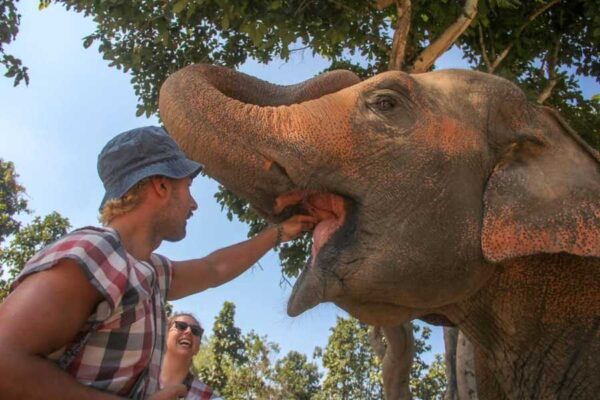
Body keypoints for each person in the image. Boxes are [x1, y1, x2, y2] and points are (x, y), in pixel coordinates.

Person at [0, 126, 316, 399]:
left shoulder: (150, 271)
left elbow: (213, 268)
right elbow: (5, 364)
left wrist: (278, 234)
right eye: (188, 188)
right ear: (161, 185)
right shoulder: (95, 251)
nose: (193, 204)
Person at [161, 313, 222, 399]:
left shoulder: (208, 397)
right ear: (165, 336)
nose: (189, 331)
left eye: (195, 330)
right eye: (181, 326)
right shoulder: (139, 378)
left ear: (198, 348)